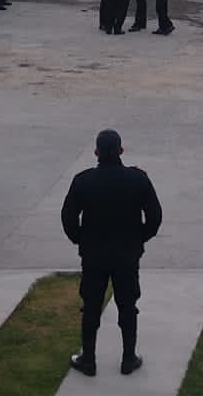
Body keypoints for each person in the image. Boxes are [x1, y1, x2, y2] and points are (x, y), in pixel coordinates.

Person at [61, 129, 163, 378]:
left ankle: (89, 359)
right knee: (128, 307)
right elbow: (155, 217)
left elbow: (68, 218)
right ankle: (128, 358)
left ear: (96, 152)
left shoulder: (83, 181)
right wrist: (140, 237)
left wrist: (80, 239)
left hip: (94, 255)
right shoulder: (138, 179)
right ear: (121, 151)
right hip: (127, 256)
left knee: (91, 306)